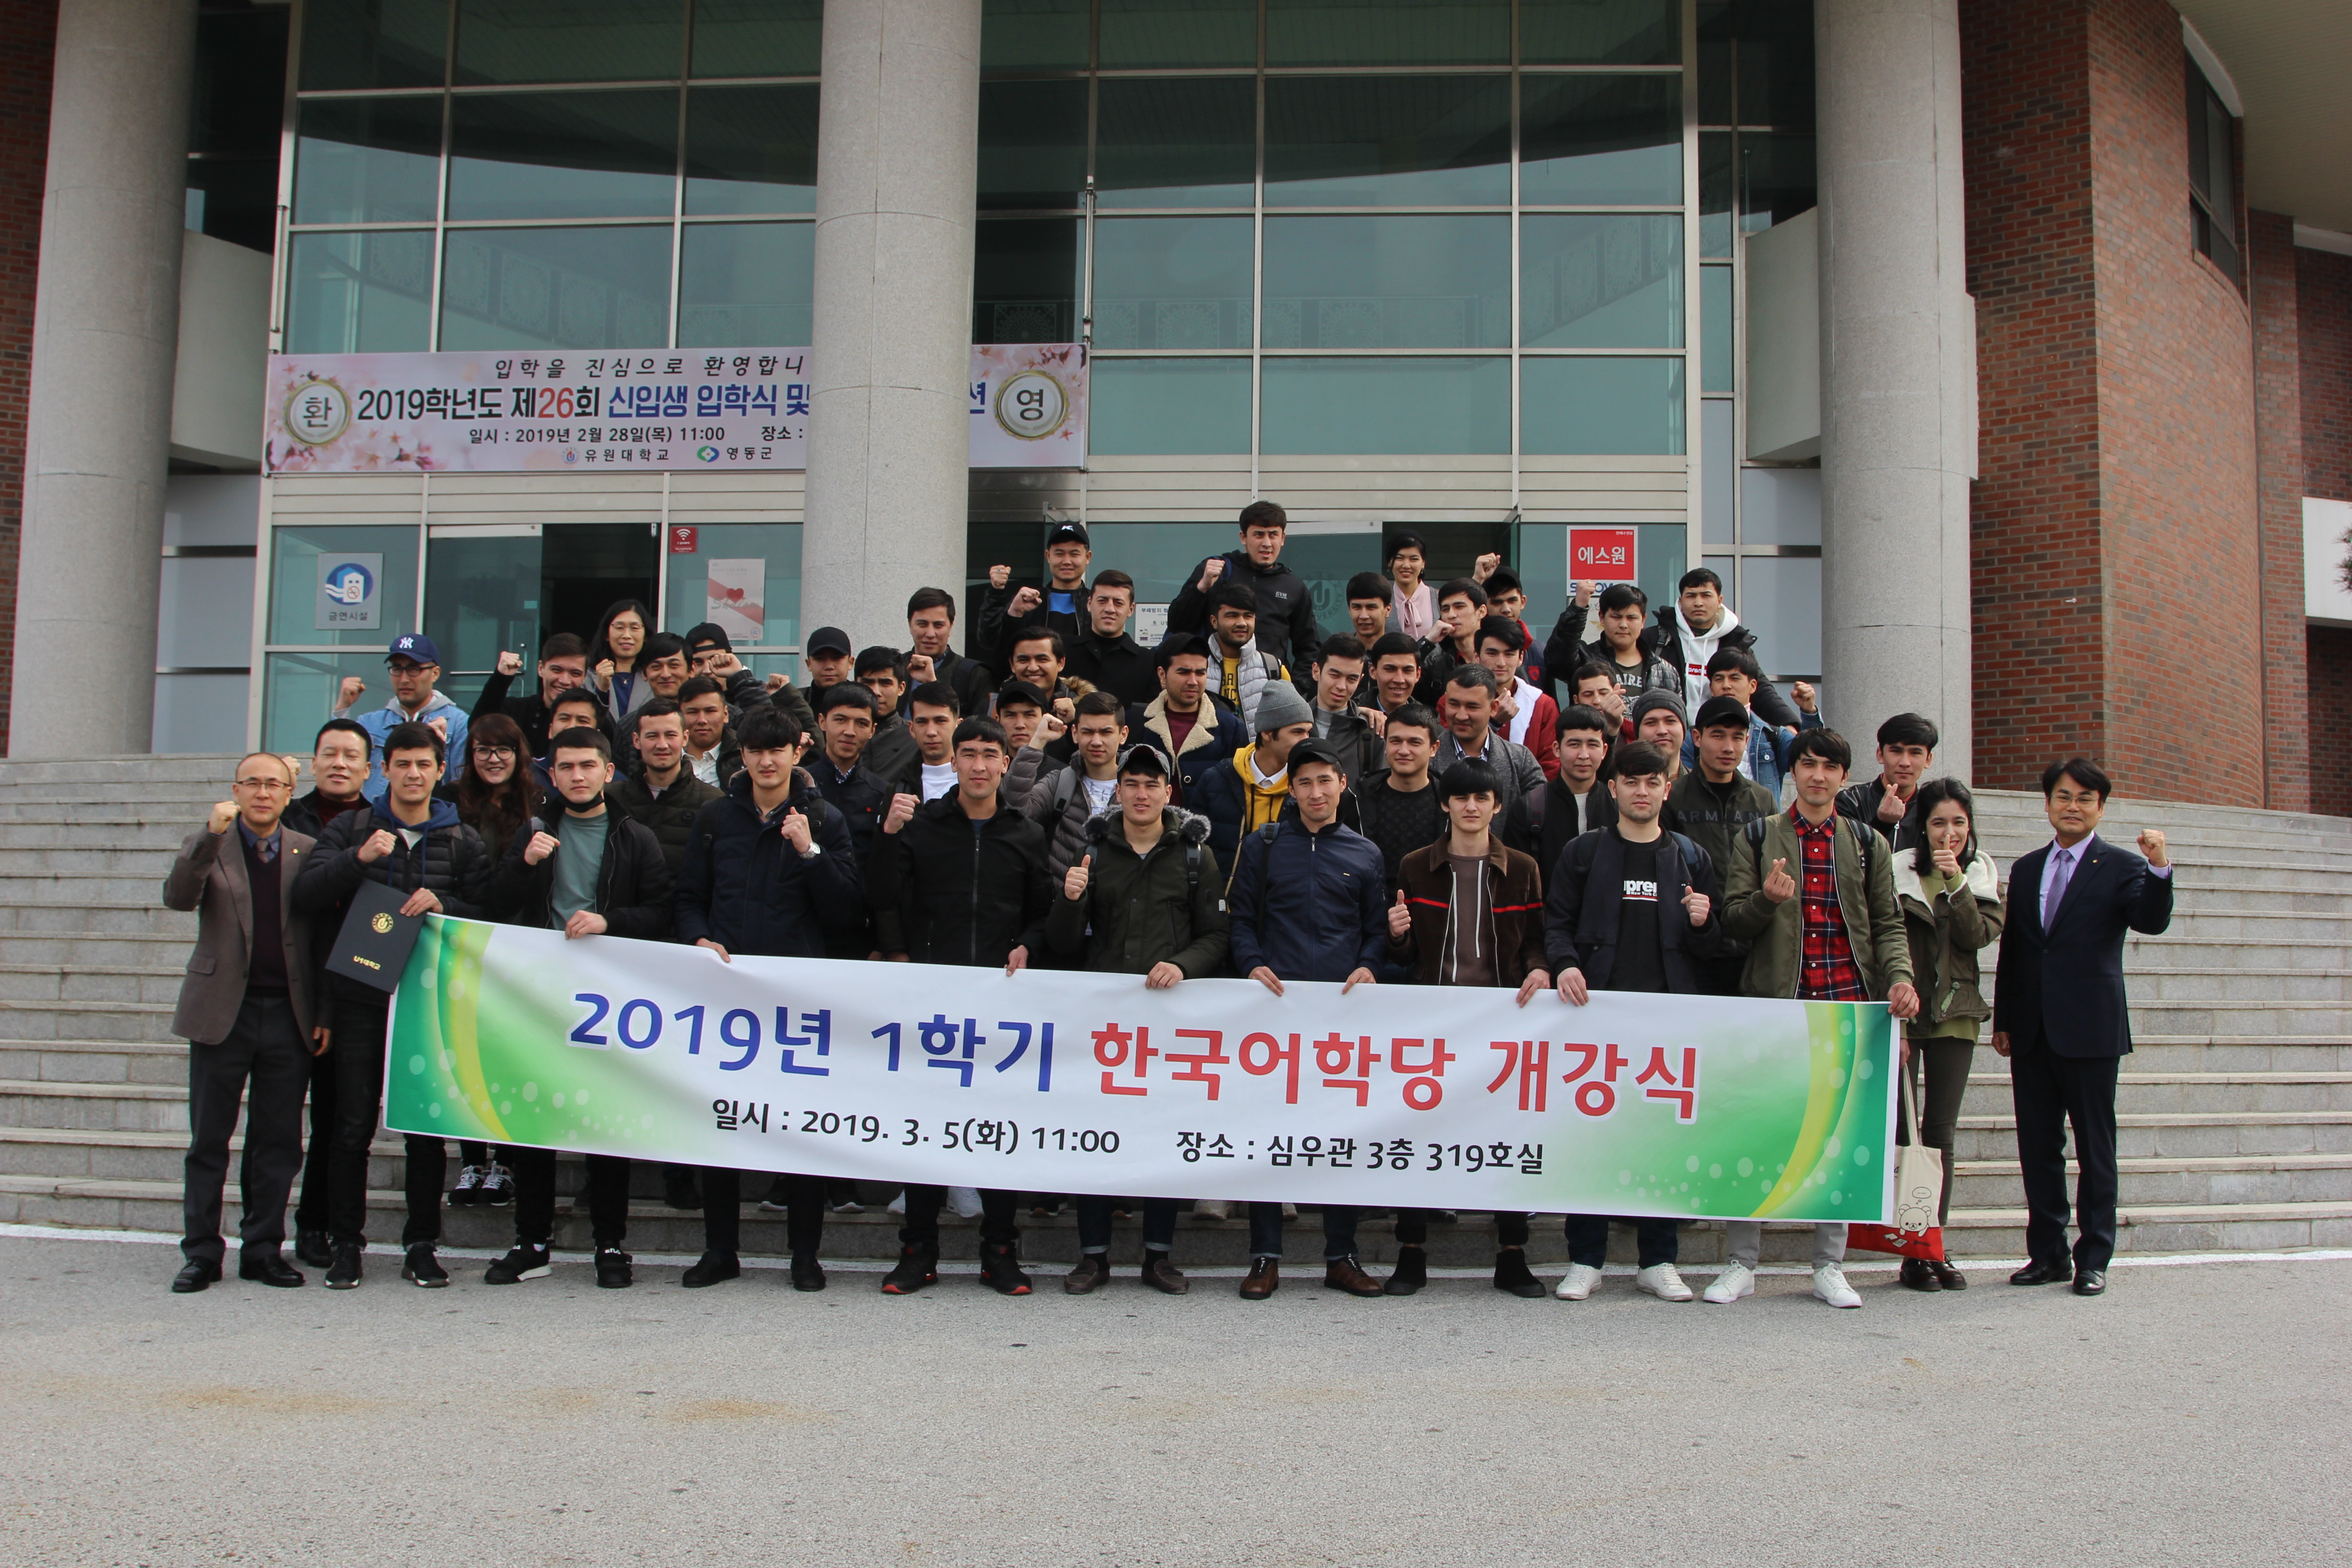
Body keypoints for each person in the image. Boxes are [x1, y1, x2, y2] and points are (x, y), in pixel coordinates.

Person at [1717, 728, 1920, 1308]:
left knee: (1838, 1141)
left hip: (1846, 1006)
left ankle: (1829, 1265)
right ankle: (1741, 1263)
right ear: (1793, 772)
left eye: (1830, 767)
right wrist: (1768, 901)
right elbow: (1733, 921)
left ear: (1844, 776)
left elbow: (1887, 923)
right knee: (1755, 1133)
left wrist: (1899, 980)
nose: (1818, 776)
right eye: (1808, 764)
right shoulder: (1759, 836)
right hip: (1776, 1009)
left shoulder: (1865, 843)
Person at [291, 721, 494, 1290]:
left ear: (440, 772)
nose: (412, 774)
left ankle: (421, 1242)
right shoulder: (355, 828)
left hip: (428, 1005)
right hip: (359, 999)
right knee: (351, 1126)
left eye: (424, 765)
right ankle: (346, 1243)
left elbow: (488, 914)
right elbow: (305, 896)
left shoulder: (463, 838)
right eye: (402, 764)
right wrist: (357, 859)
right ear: (384, 770)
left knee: (424, 1128)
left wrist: (448, 901)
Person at [673, 706, 864, 1291]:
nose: (766, 760)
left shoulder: (825, 819)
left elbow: (847, 913)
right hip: (725, 997)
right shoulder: (715, 819)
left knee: (798, 1131)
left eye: (777, 749)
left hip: (794, 1003)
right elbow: (688, 898)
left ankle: (804, 1254)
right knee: (720, 1125)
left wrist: (810, 853)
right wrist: (698, 939)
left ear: (796, 753)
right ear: (743, 754)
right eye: (756, 750)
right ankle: (720, 1250)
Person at [865, 715, 1056, 1296]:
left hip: (1001, 1009)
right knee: (926, 1130)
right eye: (967, 753)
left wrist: (1029, 944)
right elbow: (880, 896)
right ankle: (918, 1251)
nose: (978, 765)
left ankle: (1000, 1251)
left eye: (989, 754)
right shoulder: (923, 827)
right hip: (933, 1005)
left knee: (1000, 1131)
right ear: (955, 760)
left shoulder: (1025, 834)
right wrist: (888, 838)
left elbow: (1044, 914)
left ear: (1006, 762)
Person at [482, 725, 674, 1288]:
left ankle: (610, 1245)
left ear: (608, 771)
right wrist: (524, 863)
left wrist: (608, 922)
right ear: (552, 774)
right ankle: (531, 1241)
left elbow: (660, 912)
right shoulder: (534, 831)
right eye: (565, 767)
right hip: (538, 994)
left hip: (606, 998)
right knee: (533, 1120)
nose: (577, 776)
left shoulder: (634, 837)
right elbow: (495, 903)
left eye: (587, 766)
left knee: (604, 1122)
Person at [1046, 744, 1229, 1294]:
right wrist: (1071, 900)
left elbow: (1217, 936)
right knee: (1096, 1139)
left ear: (1168, 792)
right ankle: (1094, 1257)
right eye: (1132, 784)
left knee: (1162, 1140)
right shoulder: (1094, 850)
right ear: (1118, 790)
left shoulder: (1196, 854)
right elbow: (1060, 943)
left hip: (1169, 1023)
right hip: (1106, 1027)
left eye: (1153, 784)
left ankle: (1158, 1256)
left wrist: (1180, 964)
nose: (1142, 794)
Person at [1544, 742, 1723, 1304]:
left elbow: (1716, 950)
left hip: (1666, 1024)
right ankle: (1585, 1258)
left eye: (1653, 782)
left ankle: (1659, 1259)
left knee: (1661, 1141)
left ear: (1667, 788)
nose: (1642, 791)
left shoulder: (1691, 858)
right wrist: (1567, 965)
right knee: (1589, 1139)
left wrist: (1702, 923)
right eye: (1631, 782)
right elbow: (1556, 926)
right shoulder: (1583, 852)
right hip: (1593, 1021)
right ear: (1613, 788)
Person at [1991, 758, 2172, 1298]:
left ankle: (2094, 1256)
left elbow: (2151, 920)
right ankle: (2047, 1254)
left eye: (2085, 799)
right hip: (2032, 1031)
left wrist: (2159, 867)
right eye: (2064, 797)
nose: (2073, 807)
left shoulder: (2118, 866)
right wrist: (2005, 1020)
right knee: (2038, 1146)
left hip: (2091, 1029)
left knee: (2096, 1148)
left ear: (2101, 808)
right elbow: (2016, 951)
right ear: (2047, 804)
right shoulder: (2025, 869)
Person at [1381, 760, 1551, 1299]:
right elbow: (1402, 956)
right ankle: (1411, 1251)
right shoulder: (1415, 866)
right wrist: (1399, 937)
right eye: (1461, 798)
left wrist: (1540, 969)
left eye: (1482, 798)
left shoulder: (1522, 868)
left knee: (1508, 1131)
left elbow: (1536, 939)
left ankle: (1512, 1252)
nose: (1471, 807)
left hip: (1503, 1023)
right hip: (1435, 1022)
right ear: (1445, 805)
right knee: (1420, 1133)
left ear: (1498, 806)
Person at [1225, 741, 1387, 1300]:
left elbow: (1376, 930)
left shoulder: (1365, 853)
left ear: (1342, 783)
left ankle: (1341, 1255)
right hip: (1275, 1018)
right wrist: (1252, 965)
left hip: (1342, 1019)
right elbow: (1241, 920)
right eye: (1304, 783)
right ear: (1290, 790)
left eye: (1325, 781)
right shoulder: (1263, 845)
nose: (1316, 793)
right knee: (1270, 1137)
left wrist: (1369, 965)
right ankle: (1265, 1257)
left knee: (1342, 1136)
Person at [162, 753, 318, 1293]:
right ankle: (202, 1252)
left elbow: (318, 941)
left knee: (277, 1141)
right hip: (221, 1009)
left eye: (273, 784)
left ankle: (263, 1249)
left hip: (287, 1014)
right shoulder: (213, 846)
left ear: (288, 792)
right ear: (235, 790)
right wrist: (208, 835)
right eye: (252, 783)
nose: (263, 792)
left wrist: (322, 1014)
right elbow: (179, 898)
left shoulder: (307, 852)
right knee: (209, 1139)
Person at [1891, 778, 2004, 1292]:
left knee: (1941, 1136)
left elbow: (1975, 936)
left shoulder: (1978, 873)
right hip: (1907, 1014)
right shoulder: (1899, 872)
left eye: (1959, 822)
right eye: (1939, 822)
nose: (1950, 832)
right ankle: (1911, 1252)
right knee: (1905, 1135)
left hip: (1956, 1013)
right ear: (1922, 825)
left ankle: (1935, 1245)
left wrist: (1957, 884)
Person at [281, 717, 374, 1267]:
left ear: (369, 768)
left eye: (351, 756)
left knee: (343, 1116)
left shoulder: (379, 822)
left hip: (360, 982)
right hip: (303, 979)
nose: (339, 763)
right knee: (304, 1117)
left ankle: (324, 1224)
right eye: (330, 754)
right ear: (312, 763)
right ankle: (302, 1225)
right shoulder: (289, 821)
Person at [439, 711, 540, 1210]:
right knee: (467, 1056)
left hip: (521, 947)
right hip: (464, 940)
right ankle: (471, 1159)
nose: (494, 759)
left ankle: (506, 1162)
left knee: (509, 1058)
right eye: (483, 750)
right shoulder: (449, 803)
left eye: (503, 749)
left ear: (519, 753)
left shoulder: (538, 802)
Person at [1671, 696, 1779, 997]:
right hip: (1694, 945)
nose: (1728, 747)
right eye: (1718, 735)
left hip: (1752, 947)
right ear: (1697, 737)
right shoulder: (1674, 797)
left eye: (1737, 737)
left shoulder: (1762, 800)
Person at [1168, 499, 1320, 666]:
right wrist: (1201, 588)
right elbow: (1178, 624)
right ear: (1243, 537)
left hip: (1269, 687)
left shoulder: (1294, 588)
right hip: (1215, 685)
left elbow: (1309, 648)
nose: (1267, 543)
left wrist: (1293, 688)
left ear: (1283, 538)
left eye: (1273, 535)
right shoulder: (1217, 572)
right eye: (1259, 534)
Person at [1189, 678, 1315, 870]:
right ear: (1267, 733)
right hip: (1224, 896)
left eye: (1308, 733)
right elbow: (1193, 848)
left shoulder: (1308, 788)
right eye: (1297, 732)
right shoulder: (1215, 780)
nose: (1305, 742)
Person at [1650, 568, 1802, 728]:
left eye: (1706, 595)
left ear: (1720, 600)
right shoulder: (1657, 640)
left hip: (1719, 734)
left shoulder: (1735, 641)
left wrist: (1788, 723)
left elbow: (1761, 690)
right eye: (1691, 596)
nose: (1698, 603)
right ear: (1680, 601)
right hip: (1670, 735)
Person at [332, 632, 470, 802]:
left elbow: (463, 785)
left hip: (434, 822)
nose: (404, 679)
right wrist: (342, 709)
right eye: (397, 669)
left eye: (414, 669)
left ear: (435, 674)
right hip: (376, 822)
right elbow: (339, 762)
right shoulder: (371, 723)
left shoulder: (458, 724)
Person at [1007, 690, 1128, 879]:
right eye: (1088, 732)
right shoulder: (1060, 782)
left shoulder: (1140, 788)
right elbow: (1014, 817)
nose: (1097, 742)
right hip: (1063, 902)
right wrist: (1037, 743)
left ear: (1123, 735)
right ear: (1075, 733)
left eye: (1106, 732)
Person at [1127, 635, 1245, 809]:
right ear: (1162, 675)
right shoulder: (1136, 722)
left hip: (1207, 833)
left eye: (1200, 673)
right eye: (1183, 672)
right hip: (1149, 833)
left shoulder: (1230, 727)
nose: (1193, 681)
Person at [1689, 647, 1820, 799]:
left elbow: (1813, 753)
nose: (1726, 685)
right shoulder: (1694, 737)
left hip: (1762, 821)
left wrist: (1809, 712)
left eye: (1735, 678)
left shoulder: (1773, 736)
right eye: (1719, 679)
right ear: (1711, 688)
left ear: (1753, 686)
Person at [1544, 582, 1680, 715]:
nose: (1624, 625)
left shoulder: (1665, 671)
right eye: (1616, 617)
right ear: (1602, 618)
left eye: (1632, 618)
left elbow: (1676, 718)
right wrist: (1578, 607)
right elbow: (1556, 661)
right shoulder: (1585, 659)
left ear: (1643, 620)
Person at [1527, 705, 1618, 894]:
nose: (1583, 755)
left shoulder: (1619, 806)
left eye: (1593, 745)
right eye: (1574, 744)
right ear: (1557, 749)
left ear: (1604, 750)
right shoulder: (1531, 807)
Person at [1355, 702, 1446, 892]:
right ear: (1386, 745)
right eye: (1396, 741)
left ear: (1434, 748)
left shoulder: (1452, 802)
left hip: (1434, 909)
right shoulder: (1358, 800)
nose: (1404, 751)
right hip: (1373, 910)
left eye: (1415, 743)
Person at [980, 520, 1093, 665]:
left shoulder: (1097, 604)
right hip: (1032, 683)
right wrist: (996, 593)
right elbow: (989, 641)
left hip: (1083, 686)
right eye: (1059, 554)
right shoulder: (1028, 601)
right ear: (1048, 556)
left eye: (1074, 554)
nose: (1067, 561)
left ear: (1088, 557)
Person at [1432, 666, 1543, 806]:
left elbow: (1542, 811)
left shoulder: (1520, 760)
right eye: (1454, 705)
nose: (1461, 716)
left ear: (1494, 708)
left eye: (1472, 707)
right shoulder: (1426, 759)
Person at [471, 633, 590, 755]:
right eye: (556, 670)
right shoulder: (515, 710)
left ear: (585, 677)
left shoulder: (592, 719)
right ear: (540, 668)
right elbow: (478, 728)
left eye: (575, 673)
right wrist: (501, 677)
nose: (565, 681)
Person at [684, 622, 816, 730]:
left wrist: (741, 677)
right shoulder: (679, 702)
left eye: (716, 660)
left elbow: (764, 728)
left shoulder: (749, 695)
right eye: (698, 662)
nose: (707, 670)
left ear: (731, 657)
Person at [1196, 580, 1290, 729]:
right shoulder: (1196, 666)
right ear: (1214, 621)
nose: (1242, 623)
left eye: (1248, 616)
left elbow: (1287, 724)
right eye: (1232, 616)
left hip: (1256, 752)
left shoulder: (1274, 669)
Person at [1475, 617, 1559, 781]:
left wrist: (1527, 803)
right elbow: (1450, 754)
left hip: (1529, 802)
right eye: (1492, 653)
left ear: (1521, 658)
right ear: (1476, 656)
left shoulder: (1543, 704)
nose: (1501, 663)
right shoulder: (1453, 701)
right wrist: (1493, 724)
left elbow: (1551, 766)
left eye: (1509, 654)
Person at [1837, 712, 1938, 846]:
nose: (1905, 762)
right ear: (1880, 755)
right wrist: (1882, 824)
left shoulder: (1933, 808)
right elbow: (1847, 858)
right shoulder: (1851, 802)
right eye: (1896, 751)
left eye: (1915, 753)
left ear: (1928, 760)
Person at [1062, 569, 1156, 707]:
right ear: (1089, 604)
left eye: (1118, 603)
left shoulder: (1149, 662)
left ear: (1131, 610)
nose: (1110, 609)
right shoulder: (1063, 651)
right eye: (1102, 601)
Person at [904, 587, 995, 716]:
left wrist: (933, 685)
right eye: (922, 624)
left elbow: (984, 732)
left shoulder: (975, 675)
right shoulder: (893, 671)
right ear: (910, 625)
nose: (930, 634)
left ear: (951, 626)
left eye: (938, 625)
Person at [1305, 634, 1382, 784]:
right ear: (1316, 671)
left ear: (1361, 679)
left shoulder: (1373, 731)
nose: (1342, 686)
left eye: (1352, 679)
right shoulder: (1292, 724)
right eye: (1334, 675)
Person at [1415, 579, 1488, 703]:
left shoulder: (1500, 659)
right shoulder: (1436, 666)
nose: (1451, 615)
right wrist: (1428, 641)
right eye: (1445, 609)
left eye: (1459, 607)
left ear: (1481, 612)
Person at [585, 598, 655, 724]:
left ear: (646, 636)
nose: (627, 635)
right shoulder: (587, 677)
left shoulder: (654, 677)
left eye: (635, 628)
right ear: (607, 634)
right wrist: (601, 689)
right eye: (619, 627)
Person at [854, 647, 916, 781]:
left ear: (901, 688)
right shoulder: (841, 734)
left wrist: (932, 683)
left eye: (885, 683)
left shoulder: (915, 739)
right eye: (868, 683)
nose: (876, 691)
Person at [892, 682, 961, 800]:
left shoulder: (984, 783)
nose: (931, 732)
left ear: (958, 726)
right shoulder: (897, 791)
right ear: (912, 729)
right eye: (922, 722)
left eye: (940, 721)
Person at [676, 675, 742, 788]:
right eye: (693, 712)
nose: (702, 720)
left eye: (710, 711)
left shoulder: (746, 756)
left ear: (725, 714)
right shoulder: (665, 754)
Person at [1005, 626, 1077, 720]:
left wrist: (1074, 722)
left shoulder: (1082, 708)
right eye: (1023, 660)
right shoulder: (991, 707)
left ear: (1060, 663)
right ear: (1012, 664)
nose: (1033, 668)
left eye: (1042, 660)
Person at [1627, 690, 1689, 784]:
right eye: (1651, 723)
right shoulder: (1622, 786)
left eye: (1670, 721)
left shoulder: (1702, 786)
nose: (1662, 731)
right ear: (1638, 733)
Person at [1386, 531, 1436, 642]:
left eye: (1414, 559)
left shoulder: (1438, 598)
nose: (1406, 565)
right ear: (1390, 562)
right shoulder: (1381, 599)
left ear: (1423, 563)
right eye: (1400, 558)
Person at [1367, 631, 1426, 717]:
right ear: (1373, 671)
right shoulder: (1351, 720)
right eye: (1390, 670)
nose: (1399, 680)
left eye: (1407, 671)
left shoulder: (1430, 726)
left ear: (1418, 675)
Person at [1571, 662, 1632, 743]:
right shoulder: (1566, 734)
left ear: (1617, 694)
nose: (1597, 701)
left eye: (1604, 693)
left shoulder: (1635, 733)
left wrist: (1613, 728)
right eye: (1588, 695)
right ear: (1577, 700)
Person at [801, 624, 855, 708]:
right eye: (820, 659)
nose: (829, 666)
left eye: (837, 658)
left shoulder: (867, 703)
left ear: (851, 663)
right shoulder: (792, 704)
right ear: (809, 664)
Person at [1344, 571, 1396, 651]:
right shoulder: (1337, 657)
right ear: (1349, 611)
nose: (1364, 616)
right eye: (1357, 607)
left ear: (1388, 610)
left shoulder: (1401, 657)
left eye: (1371, 607)